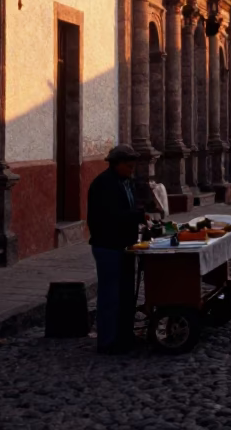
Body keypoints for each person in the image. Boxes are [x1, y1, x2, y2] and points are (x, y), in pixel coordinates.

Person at [87, 144, 147, 354]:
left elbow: (130, 208)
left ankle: (124, 335)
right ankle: (107, 341)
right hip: (108, 245)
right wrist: (138, 216)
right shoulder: (104, 185)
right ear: (117, 164)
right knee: (109, 295)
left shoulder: (126, 182)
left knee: (125, 294)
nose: (132, 170)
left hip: (125, 244)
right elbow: (110, 216)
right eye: (129, 166)